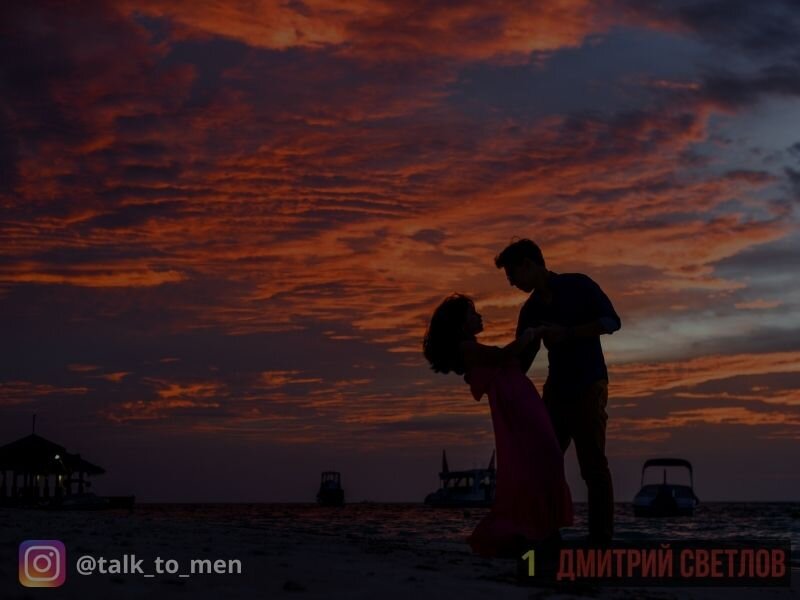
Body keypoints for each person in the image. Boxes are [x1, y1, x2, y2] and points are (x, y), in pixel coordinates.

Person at [422, 294, 573, 558]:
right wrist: (527, 337)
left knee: (544, 460)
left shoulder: (469, 347)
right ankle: (536, 538)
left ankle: (543, 533)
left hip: (520, 401)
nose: (479, 317)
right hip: (516, 405)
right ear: (460, 324)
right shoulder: (466, 348)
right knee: (543, 459)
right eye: (472, 314)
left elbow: (505, 358)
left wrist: (531, 339)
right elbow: (503, 355)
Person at [495, 239, 620, 545]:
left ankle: (600, 541)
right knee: (541, 462)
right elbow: (522, 361)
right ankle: (546, 536)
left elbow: (611, 322)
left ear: (528, 264)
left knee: (592, 466)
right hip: (555, 390)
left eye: (513, 275)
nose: (511, 283)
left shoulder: (579, 286)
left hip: (590, 385)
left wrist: (569, 333)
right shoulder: (531, 310)